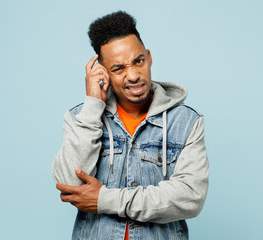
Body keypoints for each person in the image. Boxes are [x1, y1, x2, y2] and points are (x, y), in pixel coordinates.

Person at [52, 11, 209, 240]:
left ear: (149, 57)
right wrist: (94, 105)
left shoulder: (185, 122)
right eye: (118, 68)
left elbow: (190, 197)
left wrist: (104, 199)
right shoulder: (80, 117)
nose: (133, 75)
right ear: (102, 71)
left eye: (138, 61)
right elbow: (70, 184)